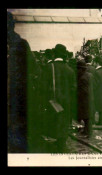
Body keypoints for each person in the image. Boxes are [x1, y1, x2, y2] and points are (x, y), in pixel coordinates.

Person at [7, 11, 39, 153]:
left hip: (17, 105)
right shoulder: (20, 44)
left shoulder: (20, 45)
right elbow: (34, 72)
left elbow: (32, 72)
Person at [39, 44, 77, 153]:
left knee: (52, 122)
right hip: (66, 103)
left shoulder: (48, 68)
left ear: (54, 54)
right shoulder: (70, 70)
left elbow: (42, 87)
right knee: (63, 123)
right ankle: (62, 144)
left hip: (51, 102)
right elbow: (73, 88)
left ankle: (52, 144)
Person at [76, 60, 94, 138]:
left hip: (84, 100)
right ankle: (87, 131)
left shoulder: (82, 78)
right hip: (90, 99)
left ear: (81, 69)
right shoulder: (90, 75)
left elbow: (83, 91)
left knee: (86, 117)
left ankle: (88, 132)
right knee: (87, 117)